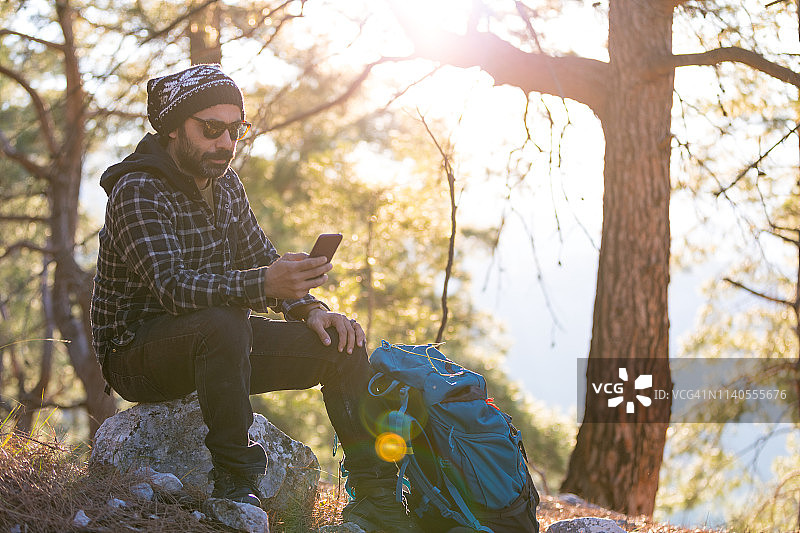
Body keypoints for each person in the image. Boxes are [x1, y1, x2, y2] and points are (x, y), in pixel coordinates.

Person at [90, 64, 421, 532]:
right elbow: (171, 287)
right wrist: (266, 283)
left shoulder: (225, 184)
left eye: (235, 129)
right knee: (223, 321)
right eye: (211, 129)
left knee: (339, 345)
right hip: (137, 354)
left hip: (217, 342)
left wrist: (309, 308)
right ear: (171, 128)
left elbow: (258, 256)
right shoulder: (138, 189)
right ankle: (235, 483)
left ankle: (378, 499)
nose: (226, 142)